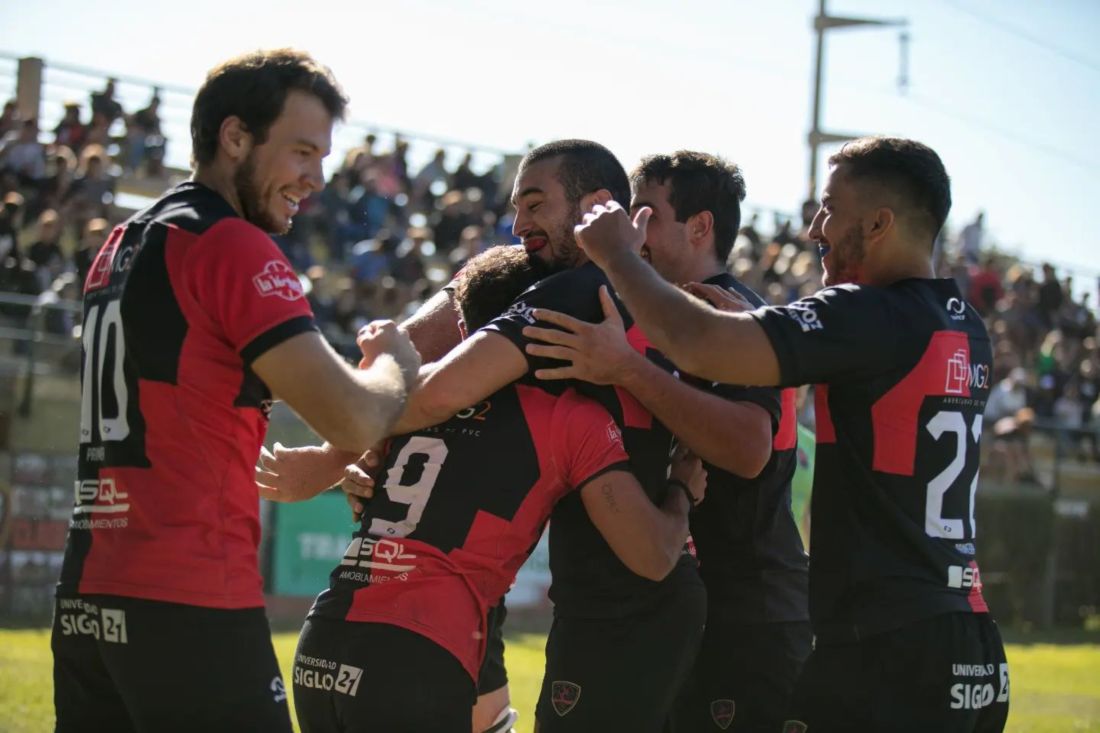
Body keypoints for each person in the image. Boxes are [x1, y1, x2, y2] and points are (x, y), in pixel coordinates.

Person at [566, 137, 1009, 732]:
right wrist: (748, 331)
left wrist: (619, 256)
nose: (814, 229)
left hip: (888, 650)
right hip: (970, 642)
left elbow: (697, 343)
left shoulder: (866, 312)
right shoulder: (965, 325)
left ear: (878, 223)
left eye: (829, 209)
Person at [263, 140, 706, 732]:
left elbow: (429, 395)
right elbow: (653, 553)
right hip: (434, 644)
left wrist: (347, 437)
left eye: (534, 204)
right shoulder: (573, 410)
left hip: (328, 640)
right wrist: (682, 489)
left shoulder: (561, 304)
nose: (518, 224)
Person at [51, 49, 420, 733]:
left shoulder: (126, 239)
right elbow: (353, 417)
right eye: (301, 152)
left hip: (89, 593)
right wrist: (397, 362)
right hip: (186, 590)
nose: (315, 178)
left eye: (322, 157)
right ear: (235, 137)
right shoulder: (230, 244)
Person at [523, 151, 810, 732]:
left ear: (700, 227)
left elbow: (748, 449)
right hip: (674, 612)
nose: (633, 229)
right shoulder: (645, 312)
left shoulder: (737, 316)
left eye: (648, 214)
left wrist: (628, 370)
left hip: (746, 618)